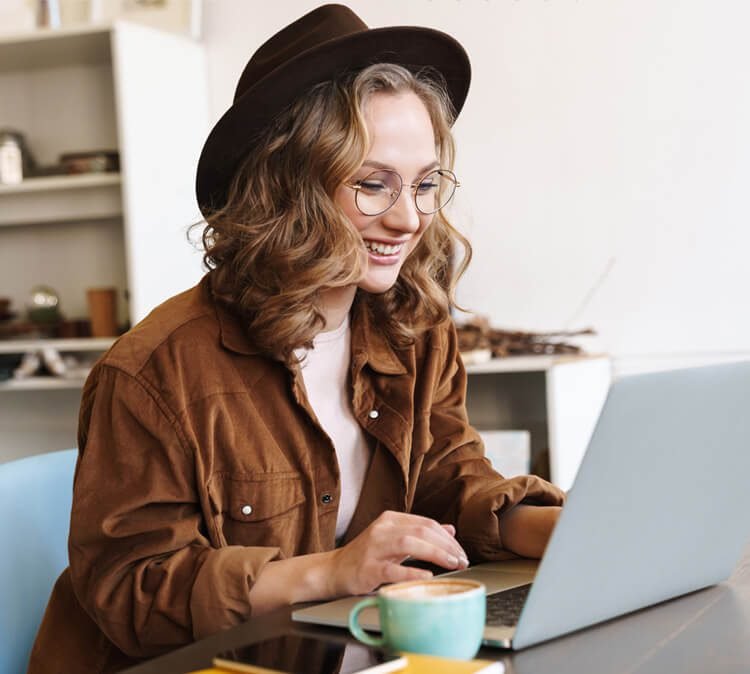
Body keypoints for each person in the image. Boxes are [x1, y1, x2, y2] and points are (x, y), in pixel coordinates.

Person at [29, 5, 565, 673]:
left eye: (426, 184)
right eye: (373, 185)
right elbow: (131, 594)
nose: (408, 218)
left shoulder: (413, 328)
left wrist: (557, 531)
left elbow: (445, 476)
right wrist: (332, 571)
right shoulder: (153, 372)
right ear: (285, 186)